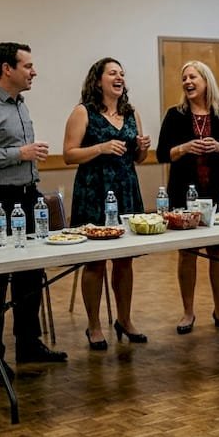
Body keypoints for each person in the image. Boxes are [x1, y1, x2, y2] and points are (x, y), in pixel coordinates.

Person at [0, 42, 68, 378]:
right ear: (7, 69)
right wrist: (17, 155)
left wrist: (26, 160)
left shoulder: (20, 105)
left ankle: (28, 344)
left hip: (26, 197)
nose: (34, 72)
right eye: (28, 66)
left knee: (30, 273)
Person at [62, 57, 151, 350]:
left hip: (126, 191)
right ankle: (94, 325)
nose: (119, 77)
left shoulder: (131, 112)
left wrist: (142, 149)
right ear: (97, 79)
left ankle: (124, 319)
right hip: (94, 191)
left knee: (124, 260)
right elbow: (69, 154)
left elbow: (138, 159)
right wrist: (100, 147)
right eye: (113, 73)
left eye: (122, 74)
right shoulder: (83, 112)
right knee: (95, 261)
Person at [156, 60, 219, 334]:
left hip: (218, 192)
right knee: (188, 252)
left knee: (218, 250)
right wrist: (182, 148)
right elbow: (161, 154)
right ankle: (188, 312)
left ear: (206, 81)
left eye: (192, 77)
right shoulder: (175, 115)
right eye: (184, 78)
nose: (187, 82)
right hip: (184, 192)